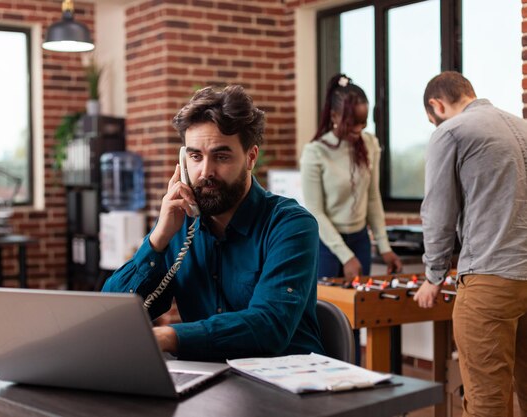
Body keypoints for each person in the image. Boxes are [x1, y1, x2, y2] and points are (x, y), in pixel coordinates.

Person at [102, 85, 325, 361]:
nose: (206, 171)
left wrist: (170, 337)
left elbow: (270, 326)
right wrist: (158, 238)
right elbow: (111, 314)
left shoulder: (291, 225)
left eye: (221, 156)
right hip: (209, 383)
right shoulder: (179, 225)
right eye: (195, 156)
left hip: (289, 386)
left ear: (250, 158)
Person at [413, 71, 527, 417]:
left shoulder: (451, 132)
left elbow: (438, 213)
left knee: (487, 402)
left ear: (436, 105)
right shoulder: (522, 127)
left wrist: (433, 276)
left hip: (490, 281)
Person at [300, 73, 401, 281]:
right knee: (327, 310)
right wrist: (345, 256)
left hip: (360, 240)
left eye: (362, 123)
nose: (358, 129)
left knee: (358, 309)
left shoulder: (370, 144)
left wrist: (384, 247)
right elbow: (315, 212)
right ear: (334, 116)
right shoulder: (315, 152)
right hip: (326, 244)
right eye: (352, 122)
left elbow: (372, 198)